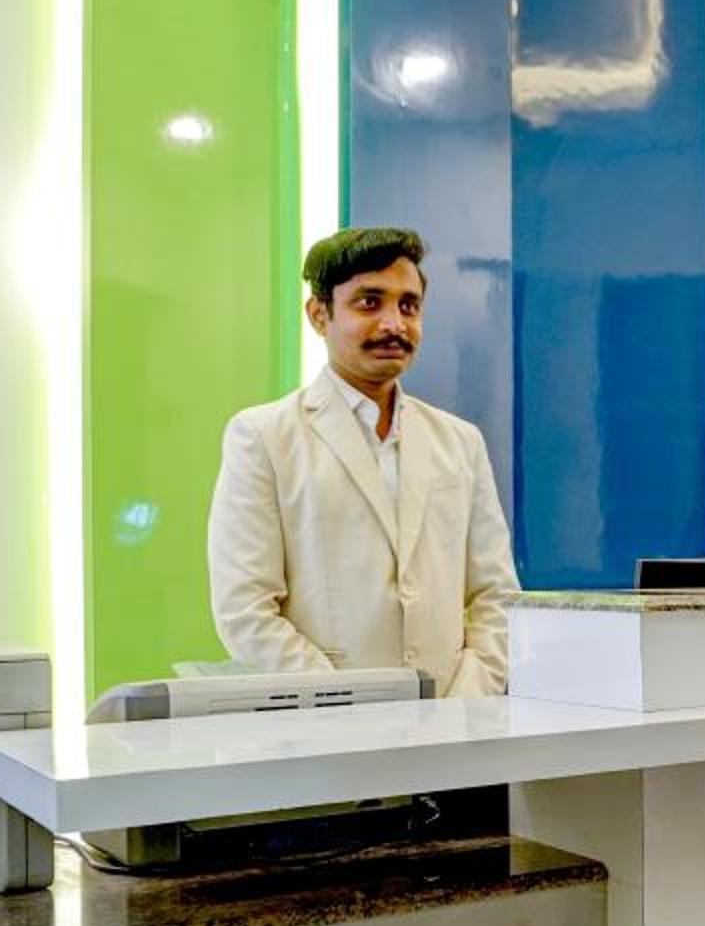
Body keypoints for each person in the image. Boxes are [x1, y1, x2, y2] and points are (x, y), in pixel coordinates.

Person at [207, 227, 517, 695]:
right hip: (326, 726)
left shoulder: (460, 441)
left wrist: (465, 703)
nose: (394, 324)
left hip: (454, 720)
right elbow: (244, 610)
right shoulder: (263, 437)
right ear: (319, 315)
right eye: (369, 303)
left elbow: (497, 596)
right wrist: (347, 706)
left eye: (408, 306)